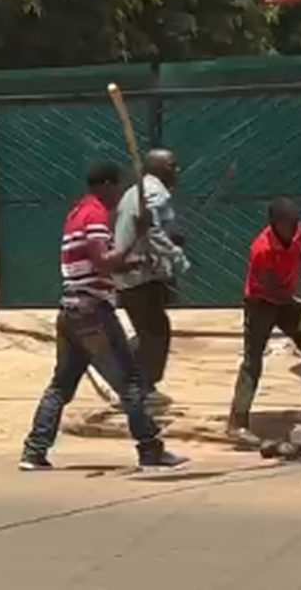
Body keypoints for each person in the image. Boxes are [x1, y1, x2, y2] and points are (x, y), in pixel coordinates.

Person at [19, 162, 187, 471]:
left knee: (60, 386)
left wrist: (135, 264)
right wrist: (136, 234)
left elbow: (103, 264)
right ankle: (150, 449)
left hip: (70, 310)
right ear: (107, 185)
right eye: (117, 188)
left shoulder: (76, 214)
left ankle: (33, 451)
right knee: (132, 382)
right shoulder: (95, 215)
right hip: (93, 313)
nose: (118, 195)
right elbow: (103, 261)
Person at [227, 197, 301, 448]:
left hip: (285, 301)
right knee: (253, 360)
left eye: (295, 224)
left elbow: (300, 248)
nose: (293, 229)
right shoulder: (262, 248)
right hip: (261, 303)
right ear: (274, 224)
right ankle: (237, 423)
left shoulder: (296, 231)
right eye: (287, 225)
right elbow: (276, 292)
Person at [114, 149, 189, 411]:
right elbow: (152, 231)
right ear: (156, 168)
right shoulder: (153, 193)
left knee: (149, 330)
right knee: (155, 332)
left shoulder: (137, 191)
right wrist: (176, 257)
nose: (177, 170)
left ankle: (132, 382)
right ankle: (140, 387)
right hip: (139, 274)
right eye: (172, 165)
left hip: (134, 273)